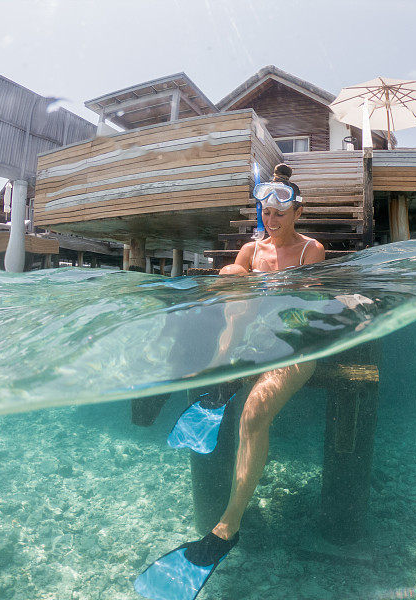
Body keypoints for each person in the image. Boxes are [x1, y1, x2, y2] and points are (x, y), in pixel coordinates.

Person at [135, 164, 325, 599]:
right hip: (249, 346)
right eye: (265, 210)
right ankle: (222, 379)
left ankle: (229, 524)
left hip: (296, 349)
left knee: (255, 415)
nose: (271, 218)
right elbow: (233, 310)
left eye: (280, 210)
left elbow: (302, 307)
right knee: (232, 278)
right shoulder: (249, 251)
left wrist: (256, 287)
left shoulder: (311, 249)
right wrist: (235, 281)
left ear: (297, 211)